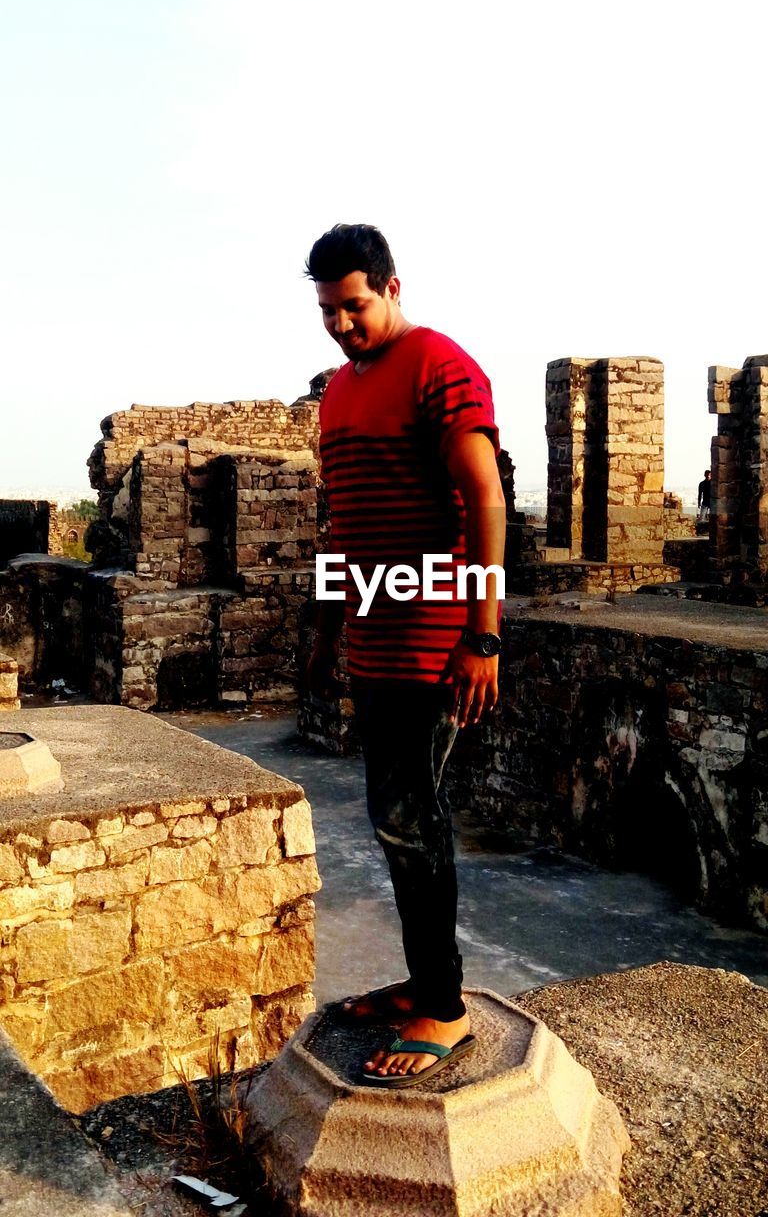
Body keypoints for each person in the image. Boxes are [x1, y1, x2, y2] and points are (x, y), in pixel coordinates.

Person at [304, 223, 506, 1087]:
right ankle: (424, 983)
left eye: (354, 305)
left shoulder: (438, 364)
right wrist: (336, 625)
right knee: (393, 823)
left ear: (390, 286)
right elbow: (350, 516)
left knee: (415, 821)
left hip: (434, 641)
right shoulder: (339, 392)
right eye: (327, 311)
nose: (343, 325)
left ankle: (446, 1010)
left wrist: (483, 633)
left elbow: (485, 495)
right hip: (376, 635)